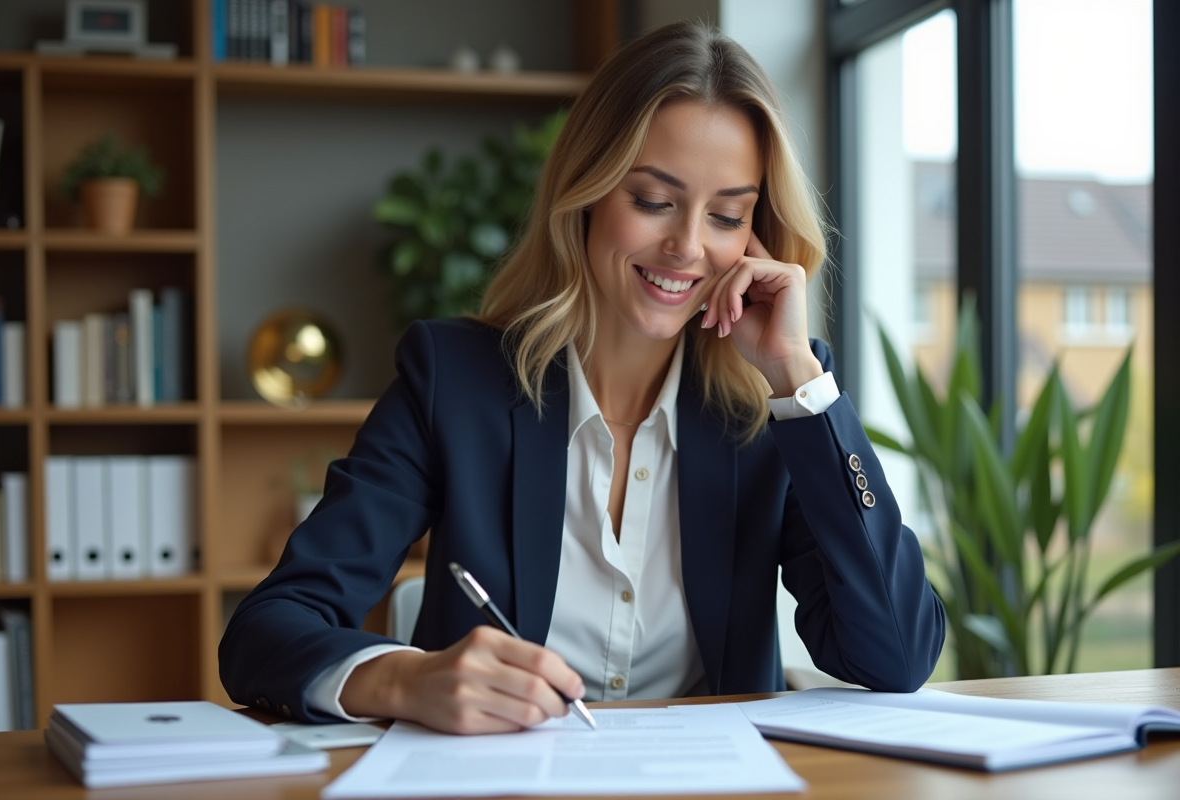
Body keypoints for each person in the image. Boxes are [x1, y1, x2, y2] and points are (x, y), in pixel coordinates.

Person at [219, 20, 945, 735]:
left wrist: (799, 383)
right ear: (588, 191)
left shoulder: (773, 405)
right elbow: (266, 631)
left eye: (727, 215)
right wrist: (407, 679)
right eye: (653, 201)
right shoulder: (453, 382)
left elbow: (896, 654)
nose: (687, 247)